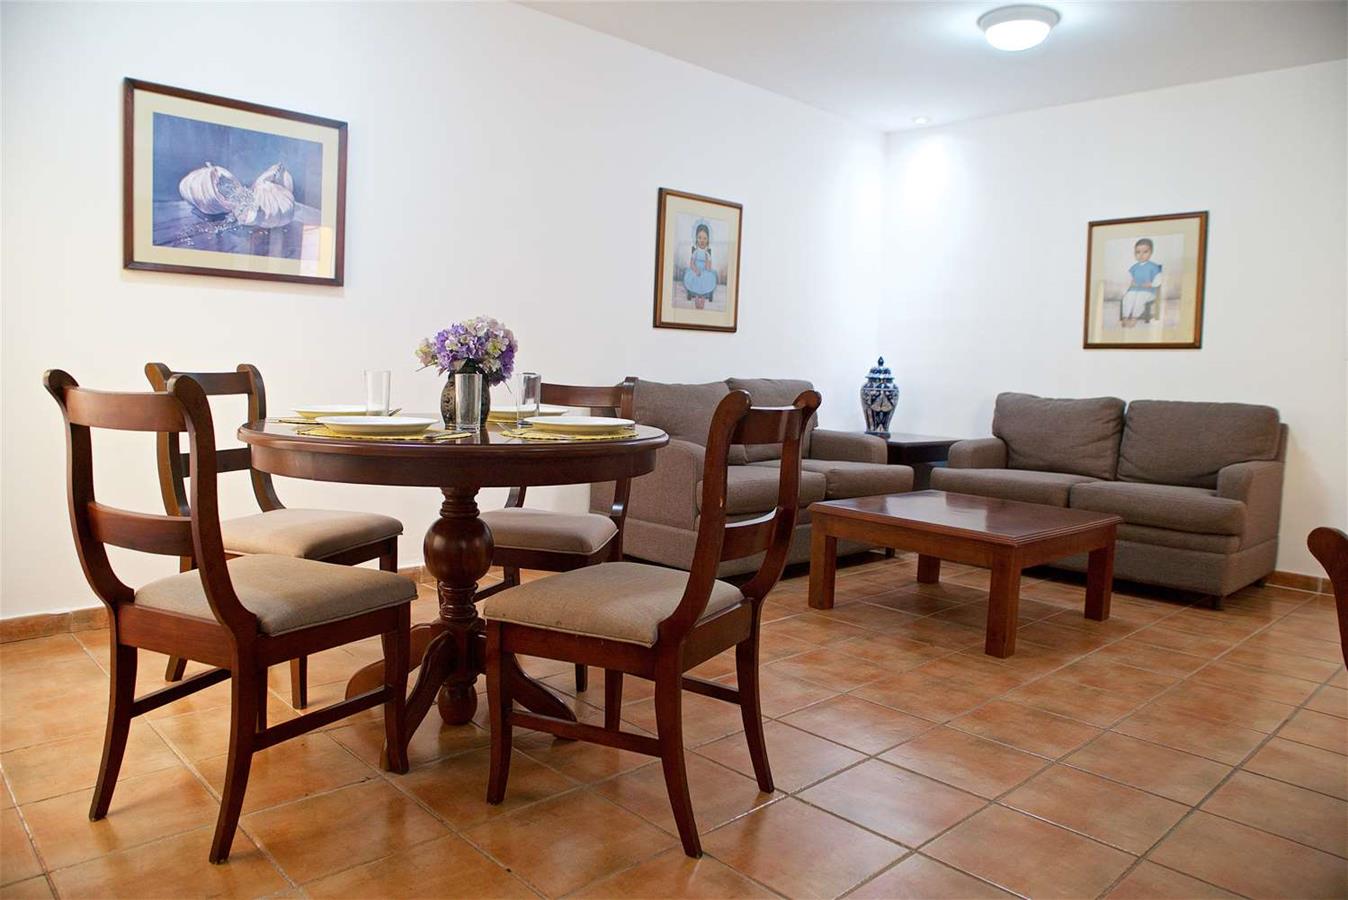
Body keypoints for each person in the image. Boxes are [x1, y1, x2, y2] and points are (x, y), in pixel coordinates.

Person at [1120, 238, 1163, 327]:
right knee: (1128, 297)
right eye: (1138, 252)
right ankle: (1125, 317)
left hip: (1148, 291)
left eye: (1145, 252)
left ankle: (1134, 318)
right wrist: (1130, 282)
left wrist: (1152, 284)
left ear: (1151, 253)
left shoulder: (1154, 267)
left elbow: (1159, 279)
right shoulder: (1134, 267)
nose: (1141, 255)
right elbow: (1128, 278)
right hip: (1134, 290)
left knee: (1140, 298)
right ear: (1134, 253)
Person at [682, 222, 718, 309]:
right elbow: (692, 263)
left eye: (705, 238)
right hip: (695, 270)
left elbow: (708, 267)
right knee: (695, 278)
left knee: (706, 278)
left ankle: (702, 299)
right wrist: (695, 270)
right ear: (696, 239)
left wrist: (707, 261)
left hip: (704, 271)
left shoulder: (707, 253)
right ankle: (697, 298)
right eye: (700, 238)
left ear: (708, 240)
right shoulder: (695, 252)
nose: (702, 240)